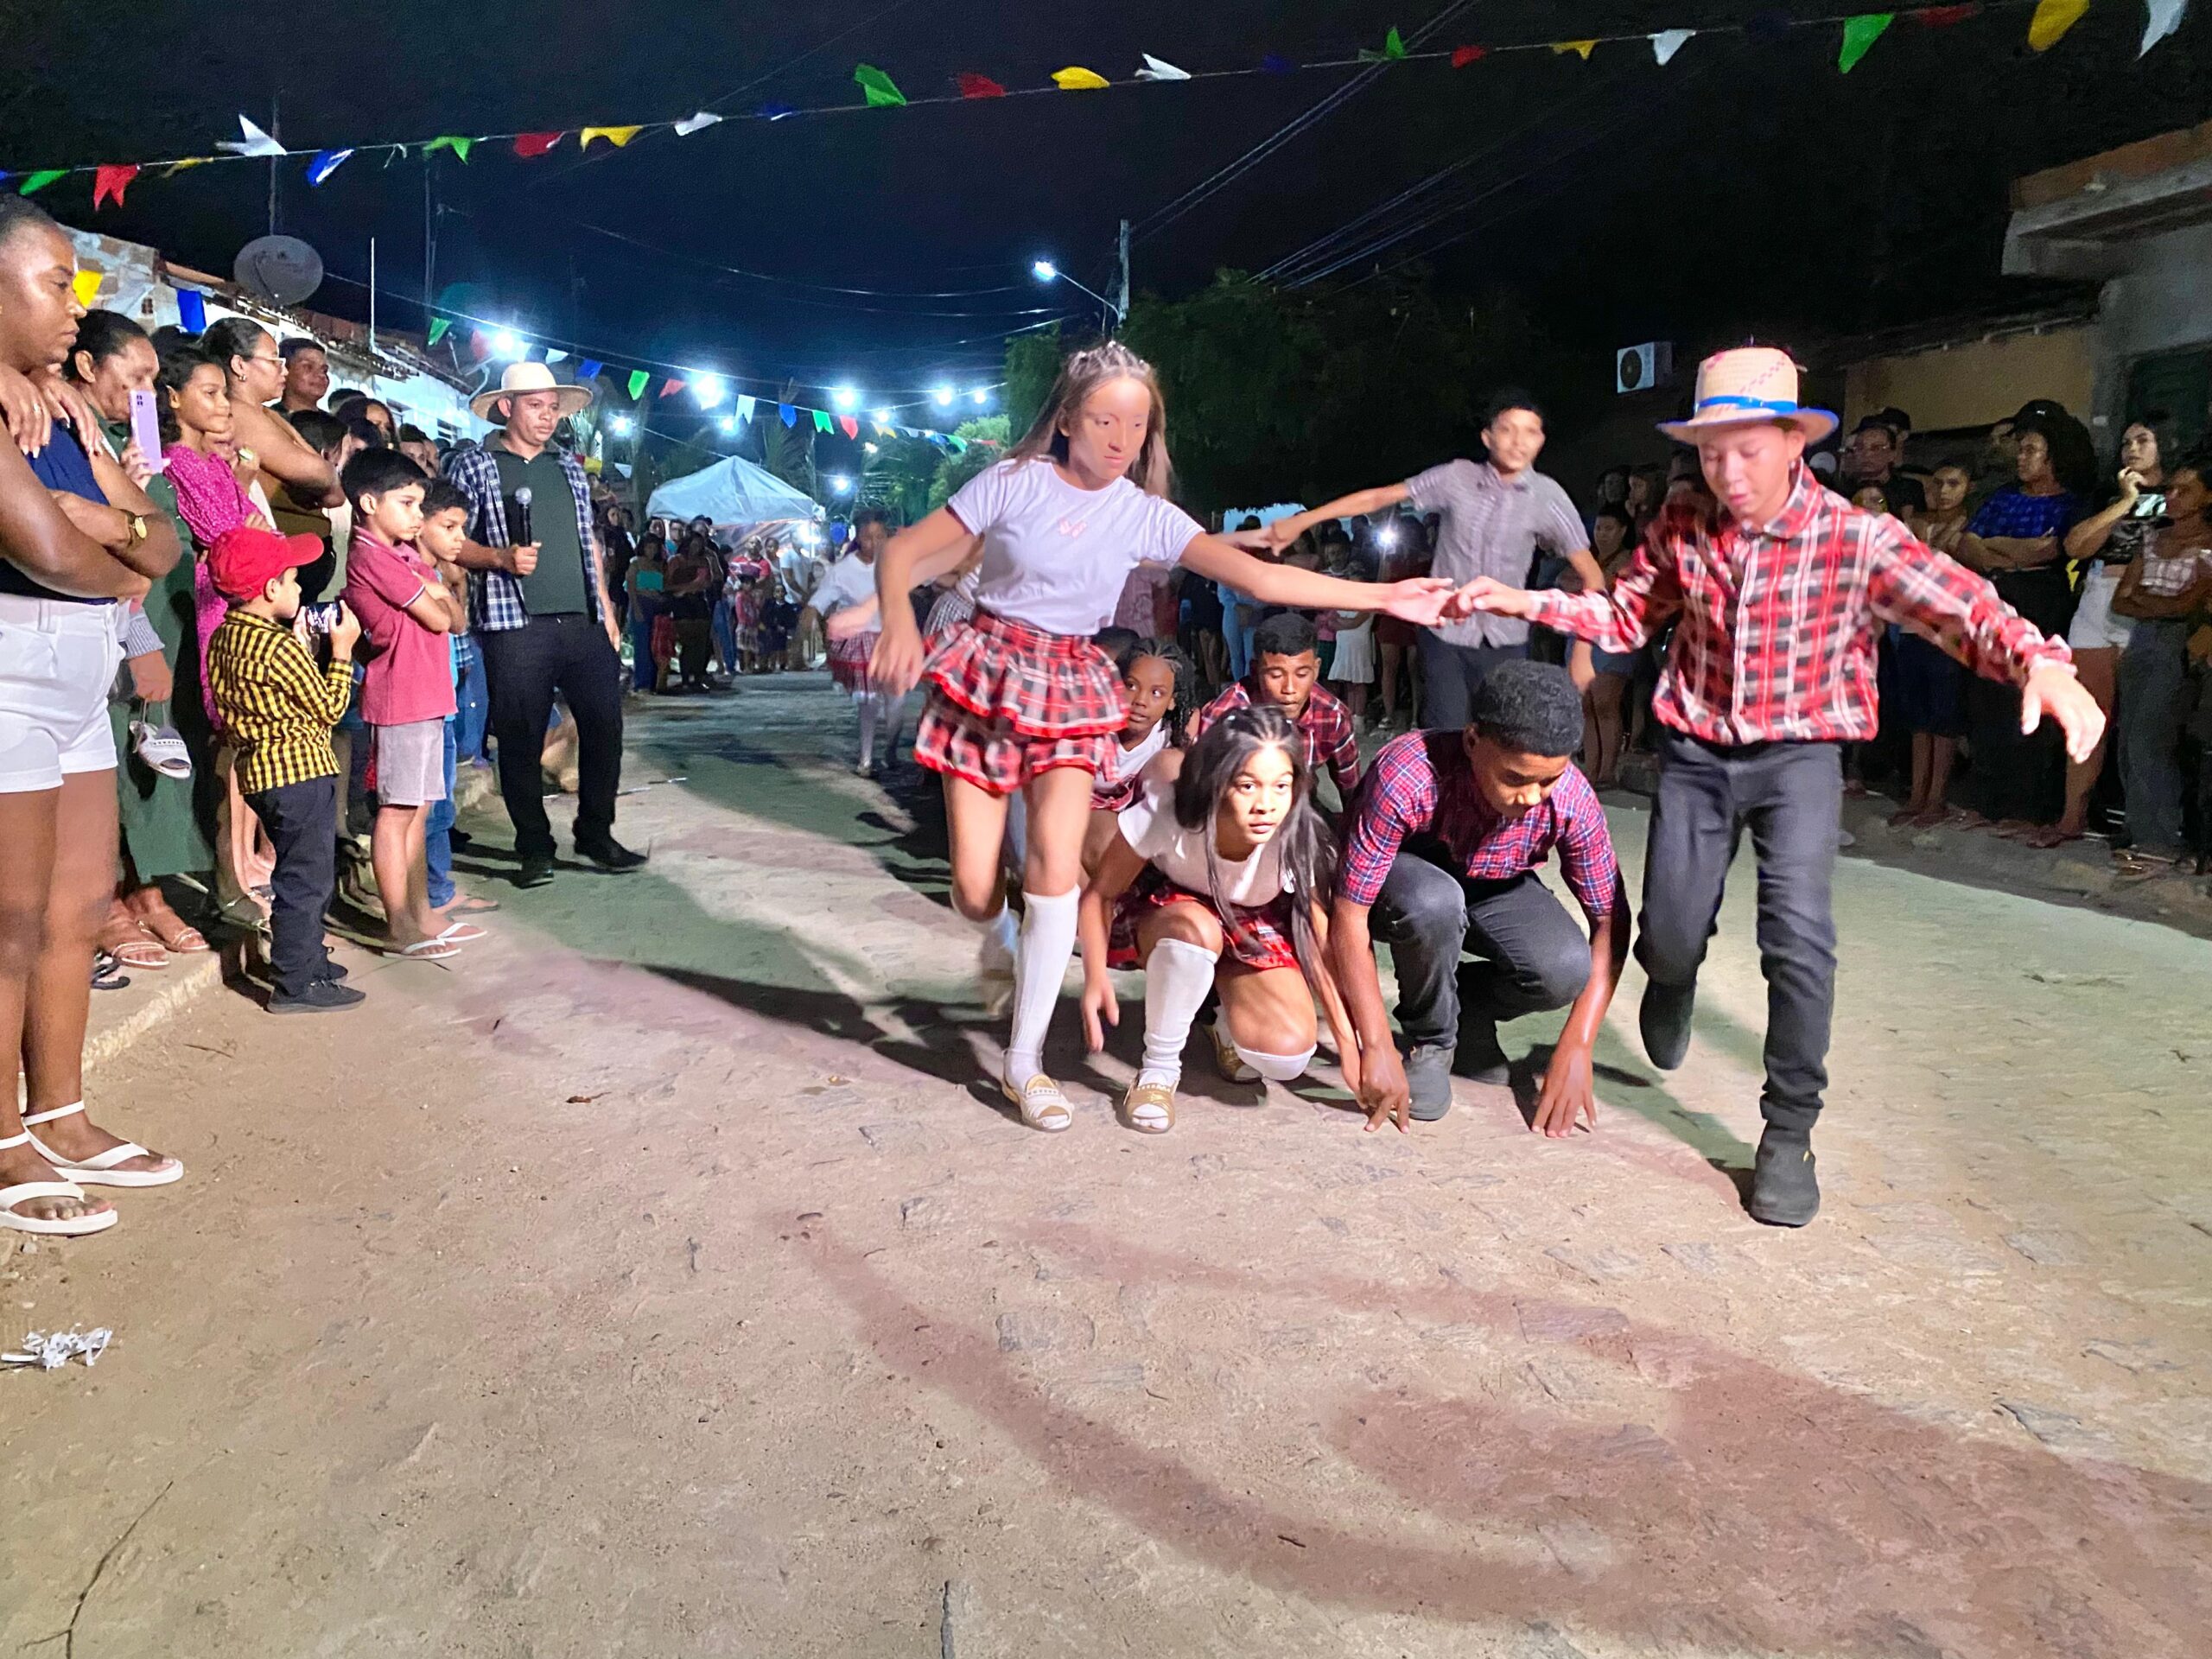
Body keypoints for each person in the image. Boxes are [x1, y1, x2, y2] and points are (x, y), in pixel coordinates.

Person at [1463, 346, 2103, 1227]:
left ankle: (1788, 1132)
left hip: (1801, 754)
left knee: (1798, 940)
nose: (1728, 471)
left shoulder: (1855, 537)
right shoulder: (1684, 520)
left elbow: (1958, 604)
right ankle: (1673, 977)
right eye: (1711, 451)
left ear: (1795, 443)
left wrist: (2040, 663)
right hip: (1697, 748)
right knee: (1670, 936)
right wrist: (1523, 601)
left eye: (1748, 450)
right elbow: (1623, 613)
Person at [865, 340, 1467, 1131]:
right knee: (978, 891)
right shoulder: (1011, 481)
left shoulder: (1143, 511)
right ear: (1067, 420)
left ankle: (1024, 1064)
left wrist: (1389, 596)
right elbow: (904, 553)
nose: (1121, 439)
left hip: (1070, 679)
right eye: (1103, 420)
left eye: (1137, 425)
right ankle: (995, 932)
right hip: (991, 670)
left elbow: (1262, 578)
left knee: (1053, 876)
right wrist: (898, 622)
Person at [0, 197, 190, 1232]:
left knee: (75, 909)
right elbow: (49, 553)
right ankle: (0, 1140)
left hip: (76, 672)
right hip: (11, 667)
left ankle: (60, 1114)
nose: (76, 306)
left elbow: (160, 544)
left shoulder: (65, 410)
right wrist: (117, 551)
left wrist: (109, 526)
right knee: (10, 919)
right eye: (52, 284)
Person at [1331, 660, 1628, 1132]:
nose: (1531, 797)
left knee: (1565, 968)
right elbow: (1349, 913)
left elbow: (1611, 919)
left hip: (1494, 882)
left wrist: (1578, 1045)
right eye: (1515, 778)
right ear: (1472, 741)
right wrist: (1375, 1044)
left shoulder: (1571, 798)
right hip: (1407, 884)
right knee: (1434, 902)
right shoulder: (1409, 773)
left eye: (1547, 780)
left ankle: (1466, 1009)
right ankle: (1431, 1040)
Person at [1078, 707, 1357, 1132]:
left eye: (1281, 786)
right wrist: (1094, 974)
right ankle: (1158, 1071)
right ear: (1218, 781)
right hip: (1172, 908)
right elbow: (1101, 894)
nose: (1266, 805)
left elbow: (1320, 942)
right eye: (1247, 786)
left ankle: (1219, 1015)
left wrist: (1353, 1050)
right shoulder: (1171, 812)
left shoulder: (1298, 833)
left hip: (1250, 919)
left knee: (1285, 1055)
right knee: (1194, 933)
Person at [1262, 391, 1602, 730]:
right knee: (1447, 733)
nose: (1518, 442)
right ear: (1487, 437)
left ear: (1541, 440)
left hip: (1506, 639)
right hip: (1445, 633)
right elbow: (1381, 496)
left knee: (1501, 738)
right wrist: (1306, 520)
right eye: (1507, 429)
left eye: (1530, 431)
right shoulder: (1457, 478)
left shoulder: (1548, 497)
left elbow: (1593, 578)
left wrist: (1582, 653)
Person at [444, 363, 638, 886]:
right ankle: (534, 845)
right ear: (507, 407)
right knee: (520, 738)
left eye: (553, 408)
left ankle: (596, 832)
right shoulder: (475, 465)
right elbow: (446, 538)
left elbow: (586, 539)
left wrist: (606, 607)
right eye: (535, 406)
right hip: (514, 624)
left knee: (604, 728)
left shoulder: (569, 467)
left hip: (582, 620)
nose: (547, 417)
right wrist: (499, 558)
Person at [64, 311, 214, 965]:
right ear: (86, 367)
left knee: (151, 757)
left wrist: (139, 485)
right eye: (137, 377)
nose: (149, 393)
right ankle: (110, 903)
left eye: (155, 380)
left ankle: (148, 890)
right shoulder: (72, 435)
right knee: (107, 768)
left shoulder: (131, 440)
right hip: (115, 624)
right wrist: (139, 636)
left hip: (158, 622)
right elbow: (91, 546)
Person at [202, 526, 365, 1013]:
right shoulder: (280, 648)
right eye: (293, 580)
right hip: (300, 775)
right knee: (305, 880)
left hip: (261, 775)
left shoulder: (225, 637)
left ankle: (308, 959)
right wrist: (341, 651)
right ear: (271, 589)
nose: (299, 589)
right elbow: (330, 707)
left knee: (299, 872)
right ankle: (296, 982)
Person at [340, 449, 467, 958]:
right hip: (401, 697)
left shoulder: (403, 556)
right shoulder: (371, 556)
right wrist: (435, 596)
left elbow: (456, 618)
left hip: (428, 693)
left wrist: (436, 596)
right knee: (396, 813)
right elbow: (439, 618)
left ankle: (421, 911)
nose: (418, 515)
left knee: (419, 810)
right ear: (369, 502)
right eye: (407, 503)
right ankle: (399, 922)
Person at [2040, 418, 2174, 848]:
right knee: (2088, 714)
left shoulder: (2181, 494)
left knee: (2141, 725)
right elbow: (2076, 546)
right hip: (2098, 596)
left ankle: (2143, 828)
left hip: (2145, 601)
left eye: (2143, 440)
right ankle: (2071, 817)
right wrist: (2126, 500)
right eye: (2126, 442)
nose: (2132, 449)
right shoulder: (2107, 495)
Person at [1950, 415, 2083, 833]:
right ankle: (1986, 799)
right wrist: (2006, 553)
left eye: (2031, 450)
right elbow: (1966, 544)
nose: (2021, 458)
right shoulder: (2003, 497)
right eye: (2020, 450)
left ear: (2053, 457)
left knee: (2030, 702)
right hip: (1996, 594)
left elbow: (2049, 551)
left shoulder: (2069, 503)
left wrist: (1995, 546)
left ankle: (2025, 808)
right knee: (1986, 696)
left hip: (2042, 600)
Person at [2109, 453, 2212, 879]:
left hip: (2178, 644)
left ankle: (2160, 841)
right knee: (2127, 738)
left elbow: (2187, 605)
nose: (2172, 495)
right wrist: (2161, 604)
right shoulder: (2153, 537)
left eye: (2185, 490)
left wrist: (2148, 601)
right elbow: (2120, 600)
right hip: (2142, 640)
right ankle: (2138, 830)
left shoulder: (2208, 545)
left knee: (2151, 738)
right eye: (2171, 488)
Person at [415, 478, 494, 926]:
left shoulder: (436, 574)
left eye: (462, 528)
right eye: (449, 527)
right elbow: (449, 621)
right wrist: (445, 595)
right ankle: (421, 899)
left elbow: (459, 624)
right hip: (418, 705)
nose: (460, 539)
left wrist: (447, 591)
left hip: (441, 698)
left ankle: (438, 888)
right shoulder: (408, 571)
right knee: (423, 809)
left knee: (442, 805)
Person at [1193, 610, 1363, 812]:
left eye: (1302, 674)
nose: (1289, 689)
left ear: (1316, 669)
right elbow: (1200, 797)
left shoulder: (1332, 716)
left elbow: (1352, 793)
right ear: (1255, 671)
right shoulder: (1224, 718)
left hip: (1301, 810)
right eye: (1275, 675)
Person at [1891, 464, 1977, 825]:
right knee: (1917, 715)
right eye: (1938, 484)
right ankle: (1916, 794)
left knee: (1944, 716)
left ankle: (1936, 796)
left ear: (1969, 488)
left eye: (1953, 483)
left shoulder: (1971, 527)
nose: (1943, 491)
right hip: (1913, 627)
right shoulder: (1917, 523)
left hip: (1951, 630)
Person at [203, 319, 343, 534]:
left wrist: (329, 478)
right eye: (274, 361)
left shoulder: (265, 413)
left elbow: (334, 490)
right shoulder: (238, 414)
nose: (284, 371)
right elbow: (319, 473)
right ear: (240, 365)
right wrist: (328, 477)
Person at [807, 507, 911, 776]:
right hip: (864, 640)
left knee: (897, 700)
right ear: (858, 537)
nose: (874, 543)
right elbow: (822, 598)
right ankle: (866, 758)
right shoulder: (843, 570)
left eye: (880, 537)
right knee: (869, 701)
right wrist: (810, 614)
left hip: (894, 637)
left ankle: (890, 750)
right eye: (867, 537)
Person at [1570, 505, 1643, 787]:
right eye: (1599, 528)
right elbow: (1565, 581)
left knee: (1605, 702)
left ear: (1623, 531)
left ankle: (1607, 771)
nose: (1602, 534)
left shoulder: (1630, 559)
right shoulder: (1591, 558)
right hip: (1584, 636)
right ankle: (1592, 770)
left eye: (1609, 528)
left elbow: (1607, 588)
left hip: (1615, 636)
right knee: (1587, 704)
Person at [663, 524, 717, 694]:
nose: (696, 548)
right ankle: (686, 679)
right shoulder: (675, 561)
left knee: (701, 643)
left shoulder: (704, 561)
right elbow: (667, 585)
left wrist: (695, 587)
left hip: (699, 601)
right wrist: (688, 587)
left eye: (699, 545)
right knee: (688, 643)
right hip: (682, 603)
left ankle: (698, 678)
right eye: (693, 544)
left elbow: (708, 581)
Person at [1840, 415, 1926, 515]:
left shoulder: (1909, 489)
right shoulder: (1842, 491)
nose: (1866, 454)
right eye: (1860, 448)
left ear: (1892, 454)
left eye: (1876, 448)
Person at [624, 531, 668, 693]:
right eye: (649, 547)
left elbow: (663, 586)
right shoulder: (635, 564)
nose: (651, 551)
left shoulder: (659, 565)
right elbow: (631, 588)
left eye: (654, 548)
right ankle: (642, 683)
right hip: (640, 604)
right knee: (642, 645)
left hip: (656, 606)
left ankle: (654, 681)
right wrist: (636, 609)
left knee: (654, 645)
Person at [277, 338, 329, 416]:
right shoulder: (264, 418)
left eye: (324, 371)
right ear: (284, 370)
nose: (321, 375)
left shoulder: (332, 422)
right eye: (308, 367)